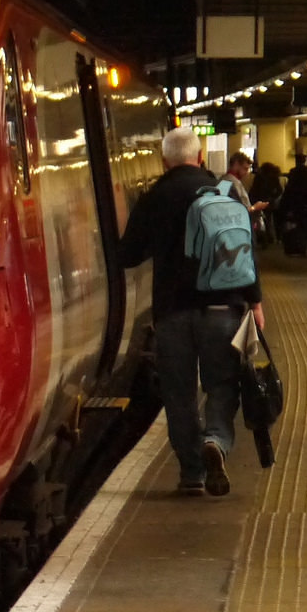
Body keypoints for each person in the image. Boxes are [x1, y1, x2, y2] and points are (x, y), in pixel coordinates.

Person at [120, 125, 264, 497]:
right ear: (200, 157)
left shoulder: (155, 195)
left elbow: (127, 255)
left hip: (172, 313)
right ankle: (215, 438)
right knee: (222, 383)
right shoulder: (227, 190)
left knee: (179, 392)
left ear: (164, 160)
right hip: (224, 308)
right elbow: (244, 250)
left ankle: (192, 473)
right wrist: (256, 301)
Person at [280, 159, 307, 254]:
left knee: (300, 226)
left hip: (297, 205)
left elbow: (287, 195)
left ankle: (301, 246)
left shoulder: (293, 180)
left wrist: (285, 208)